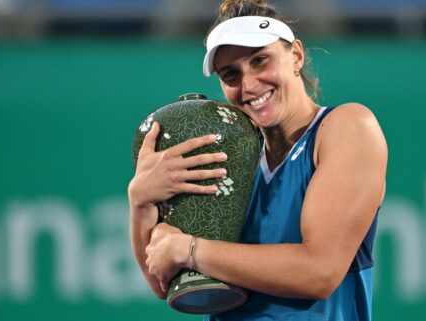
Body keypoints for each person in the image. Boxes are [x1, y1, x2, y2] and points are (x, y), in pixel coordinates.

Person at [128, 0, 388, 320]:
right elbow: (166, 283)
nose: (249, 85)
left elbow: (319, 271)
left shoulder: (348, 127)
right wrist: (140, 201)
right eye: (230, 74)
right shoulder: (227, 156)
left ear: (296, 55)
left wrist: (191, 249)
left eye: (260, 60)